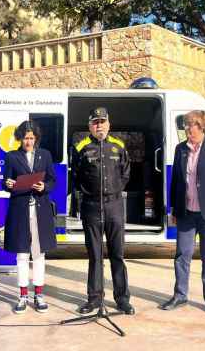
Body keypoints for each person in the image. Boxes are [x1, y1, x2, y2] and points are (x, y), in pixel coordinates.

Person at [160, 110, 205, 315]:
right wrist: (174, 208)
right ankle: (180, 295)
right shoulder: (180, 149)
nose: (187, 129)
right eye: (185, 125)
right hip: (186, 212)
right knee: (181, 255)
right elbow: (176, 181)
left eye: (190, 125)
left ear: (201, 127)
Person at [71, 107, 134, 315]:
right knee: (95, 256)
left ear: (109, 124)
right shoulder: (81, 147)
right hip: (91, 207)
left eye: (102, 121)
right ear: (90, 125)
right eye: (95, 122)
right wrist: (89, 193)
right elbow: (77, 177)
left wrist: (114, 192)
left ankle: (122, 298)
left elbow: (125, 174)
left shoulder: (119, 146)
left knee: (117, 254)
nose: (99, 125)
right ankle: (95, 299)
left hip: (114, 206)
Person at [2, 121, 57, 314]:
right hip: (20, 209)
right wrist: (8, 183)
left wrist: (45, 187)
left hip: (40, 209)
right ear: (20, 138)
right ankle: (23, 295)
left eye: (32, 138)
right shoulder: (12, 157)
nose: (29, 141)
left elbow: (52, 179)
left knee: (39, 253)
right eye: (25, 137)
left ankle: (39, 294)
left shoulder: (45, 155)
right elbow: (5, 182)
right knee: (22, 254)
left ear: (37, 139)